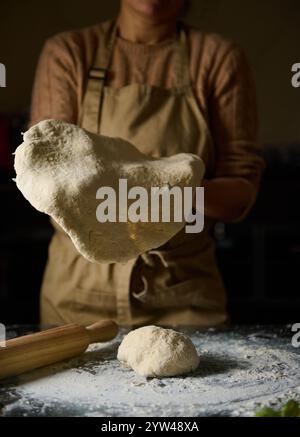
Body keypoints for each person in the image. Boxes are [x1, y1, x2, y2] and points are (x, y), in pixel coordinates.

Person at [30, 0, 264, 327]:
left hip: (182, 294)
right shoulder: (69, 52)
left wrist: (162, 189)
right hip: (78, 295)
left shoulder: (219, 58)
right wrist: (141, 189)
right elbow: (42, 175)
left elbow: (239, 196)